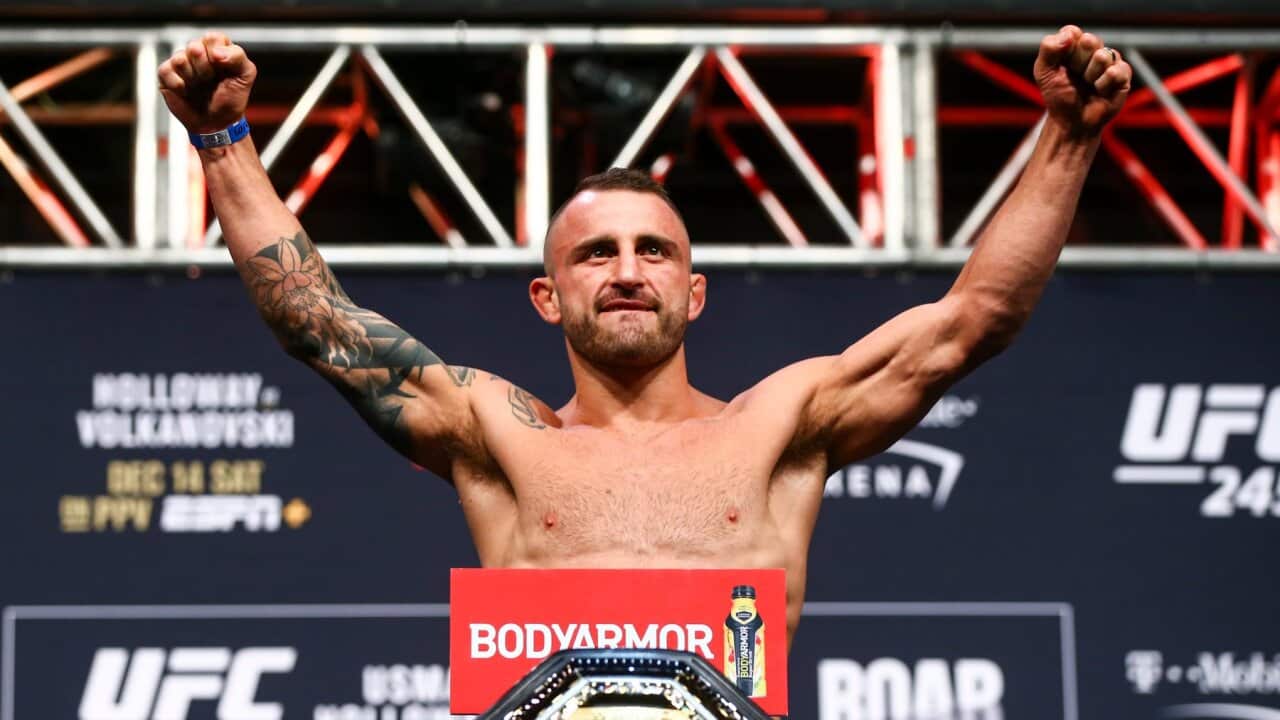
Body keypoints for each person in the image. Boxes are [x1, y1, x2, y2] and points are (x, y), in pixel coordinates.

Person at [158, 26, 1130, 645]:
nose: (626, 271)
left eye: (652, 251)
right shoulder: (500, 434)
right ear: (546, 296)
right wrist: (221, 141)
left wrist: (1070, 136)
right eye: (596, 255)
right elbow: (315, 324)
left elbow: (972, 321)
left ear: (693, 291)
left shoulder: (781, 424)